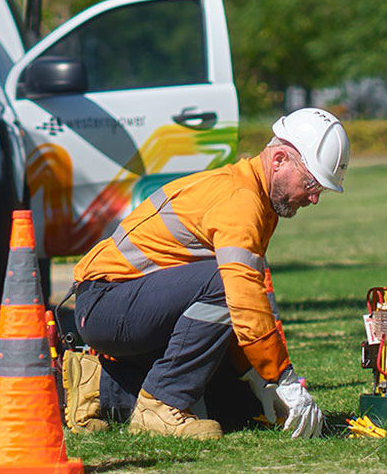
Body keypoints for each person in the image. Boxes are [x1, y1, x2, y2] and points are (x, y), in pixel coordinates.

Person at [69, 107, 350, 440]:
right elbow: (240, 295)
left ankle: (98, 385)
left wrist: (256, 378)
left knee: (237, 407)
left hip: (122, 307)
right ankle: (159, 405)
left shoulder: (257, 198)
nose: (315, 198)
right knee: (224, 283)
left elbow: (233, 310)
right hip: (105, 303)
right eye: (311, 183)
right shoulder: (242, 201)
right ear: (279, 160)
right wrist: (281, 377)